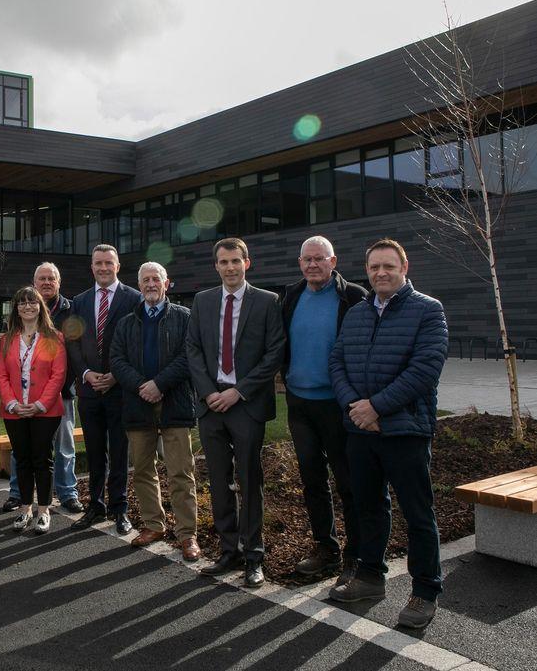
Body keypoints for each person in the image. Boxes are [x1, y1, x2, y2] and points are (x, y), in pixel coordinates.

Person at [328, 238, 448, 630]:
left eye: (388, 267)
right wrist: (357, 409)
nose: (381, 273)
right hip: (361, 431)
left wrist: (376, 406)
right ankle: (369, 577)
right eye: (375, 267)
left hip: (405, 431)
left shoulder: (428, 311)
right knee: (368, 507)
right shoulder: (357, 313)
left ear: (404, 267)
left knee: (418, 514)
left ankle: (425, 591)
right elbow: (337, 362)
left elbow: (425, 370)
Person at [187, 237, 285, 588]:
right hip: (211, 406)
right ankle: (229, 551)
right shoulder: (203, 300)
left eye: (235, 261)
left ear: (247, 263)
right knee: (218, 481)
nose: (230, 267)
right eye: (223, 262)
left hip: (246, 405)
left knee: (249, 479)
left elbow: (274, 353)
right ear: (216, 266)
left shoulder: (268, 302)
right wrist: (210, 393)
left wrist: (238, 392)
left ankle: (253, 555)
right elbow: (193, 349)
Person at [281, 236, 367, 582]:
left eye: (319, 259)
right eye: (307, 259)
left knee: (348, 482)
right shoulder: (291, 296)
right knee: (312, 480)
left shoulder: (354, 297)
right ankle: (326, 549)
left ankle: (356, 555)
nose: (312, 264)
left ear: (333, 261)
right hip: (299, 404)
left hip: (338, 405)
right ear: (300, 262)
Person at [110, 262, 200, 561]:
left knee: (180, 472)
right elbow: (117, 360)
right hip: (138, 404)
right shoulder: (126, 322)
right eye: (145, 280)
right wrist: (142, 386)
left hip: (174, 402)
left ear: (166, 283)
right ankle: (153, 525)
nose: (150, 284)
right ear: (139, 285)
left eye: (155, 279)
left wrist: (159, 384)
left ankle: (188, 535)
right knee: (143, 470)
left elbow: (189, 357)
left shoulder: (184, 318)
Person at [66, 244, 142, 535]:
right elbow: (72, 342)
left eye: (108, 263)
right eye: (98, 263)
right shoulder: (80, 301)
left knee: (119, 451)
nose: (103, 268)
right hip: (88, 390)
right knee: (95, 451)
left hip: (119, 390)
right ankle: (95, 506)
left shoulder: (133, 299)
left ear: (118, 266)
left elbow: (135, 344)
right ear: (92, 267)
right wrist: (85, 373)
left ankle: (119, 508)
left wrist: (116, 376)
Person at [5, 262, 83, 514]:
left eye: (52, 278)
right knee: (22, 449)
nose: (47, 282)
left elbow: (74, 354)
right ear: (34, 282)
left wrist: (56, 388)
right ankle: (19, 494)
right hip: (23, 400)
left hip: (62, 394)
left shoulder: (72, 311)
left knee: (63, 448)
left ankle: (67, 492)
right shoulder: (17, 325)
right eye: (42, 278)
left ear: (59, 282)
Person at [0, 286, 68, 535]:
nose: (27, 306)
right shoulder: (6, 340)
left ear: (40, 306)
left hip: (45, 411)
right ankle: (25, 509)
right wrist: (12, 403)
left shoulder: (54, 337)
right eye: (22, 302)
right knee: (22, 459)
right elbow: (1, 374)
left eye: (32, 302)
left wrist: (39, 404)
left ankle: (44, 511)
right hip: (14, 411)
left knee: (42, 459)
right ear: (16, 308)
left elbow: (58, 375)